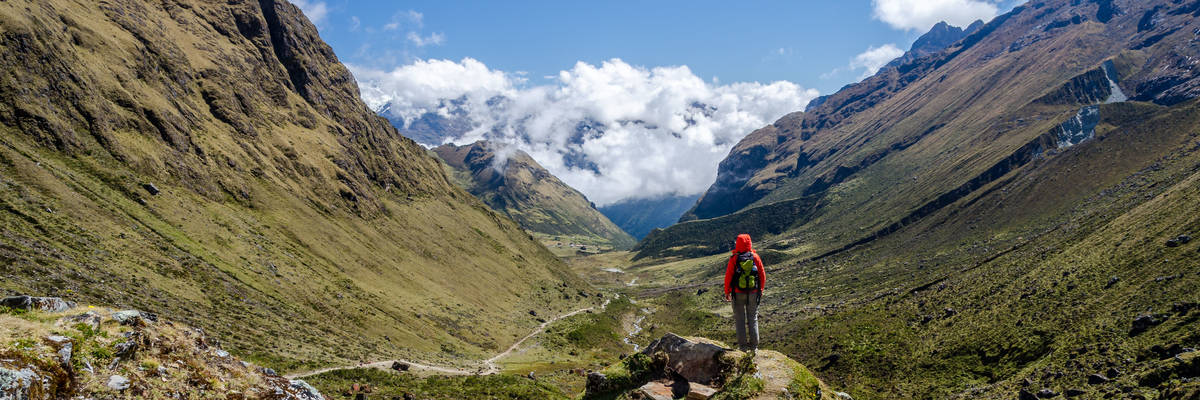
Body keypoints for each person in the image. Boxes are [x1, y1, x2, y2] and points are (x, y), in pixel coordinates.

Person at [723, 233, 766, 351]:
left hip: (738, 293)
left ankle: (742, 348)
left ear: (738, 243)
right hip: (753, 292)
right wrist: (760, 289)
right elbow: (762, 274)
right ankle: (754, 347)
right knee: (753, 318)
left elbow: (728, 276)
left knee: (740, 320)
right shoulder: (755, 257)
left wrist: (727, 292)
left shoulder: (734, 258)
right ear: (749, 243)